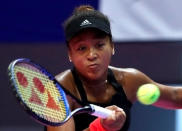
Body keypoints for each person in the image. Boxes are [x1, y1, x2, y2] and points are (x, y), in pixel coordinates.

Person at [46, 5, 182, 131]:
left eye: (99, 45)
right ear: (70, 54)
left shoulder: (129, 81)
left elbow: (175, 96)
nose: (92, 55)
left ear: (112, 46)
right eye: (82, 48)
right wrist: (101, 126)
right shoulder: (58, 91)